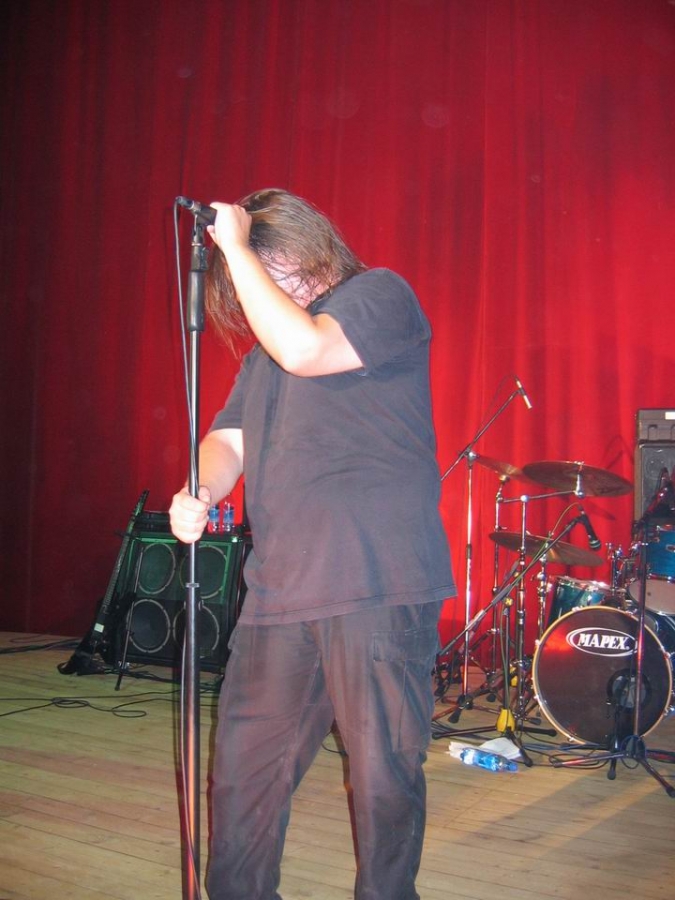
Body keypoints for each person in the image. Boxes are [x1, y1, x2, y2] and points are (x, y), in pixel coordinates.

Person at [169, 188, 456, 900]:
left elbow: (307, 349)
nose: (265, 287)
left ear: (310, 250)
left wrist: (235, 246)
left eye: (275, 269)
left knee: (383, 774)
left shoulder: (379, 295)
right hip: (280, 590)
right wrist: (200, 489)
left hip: (377, 580)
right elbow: (226, 441)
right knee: (244, 776)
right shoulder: (263, 357)